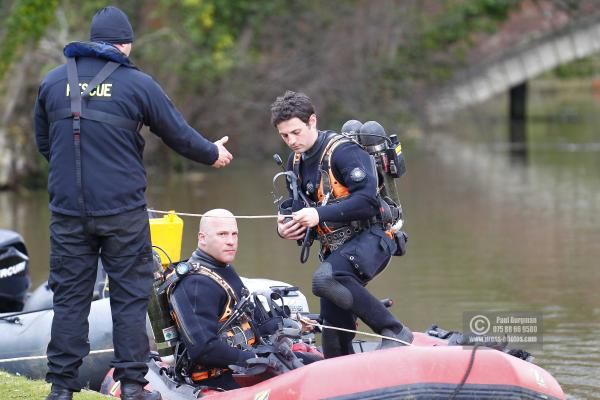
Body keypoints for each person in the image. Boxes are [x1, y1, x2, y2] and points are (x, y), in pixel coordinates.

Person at [33, 7, 233, 400]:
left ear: (91, 41)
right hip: (122, 212)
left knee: (70, 300)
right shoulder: (137, 83)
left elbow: (45, 145)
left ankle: (60, 389)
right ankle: (131, 386)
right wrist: (213, 154)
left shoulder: (53, 82)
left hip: (67, 213)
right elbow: (177, 133)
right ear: (125, 45)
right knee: (128, 298)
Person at [271, 90, 413, 359]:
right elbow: (301, 210)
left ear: (312, 121)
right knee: (334, 341)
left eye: (296, 132)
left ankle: (395, 331)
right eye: (284, 136)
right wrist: (286, 228)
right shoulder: (296, 161)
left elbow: (368, 202)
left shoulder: (344, 152)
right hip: (337, 251)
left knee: (325, 279)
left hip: (373, 237)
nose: (291, 141)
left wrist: (319, 214)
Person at [166, 209, 318, 391]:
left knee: (318, 365)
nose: (231, 241)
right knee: (312, 378)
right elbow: (204, 350)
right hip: (219, 377)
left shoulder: (221, 268)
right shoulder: (196, 284)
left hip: (245, 363)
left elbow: (247, 321)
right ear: (202, 238)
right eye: (222, 234)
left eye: (234, 234)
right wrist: (258, 361)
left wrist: (303, 324)